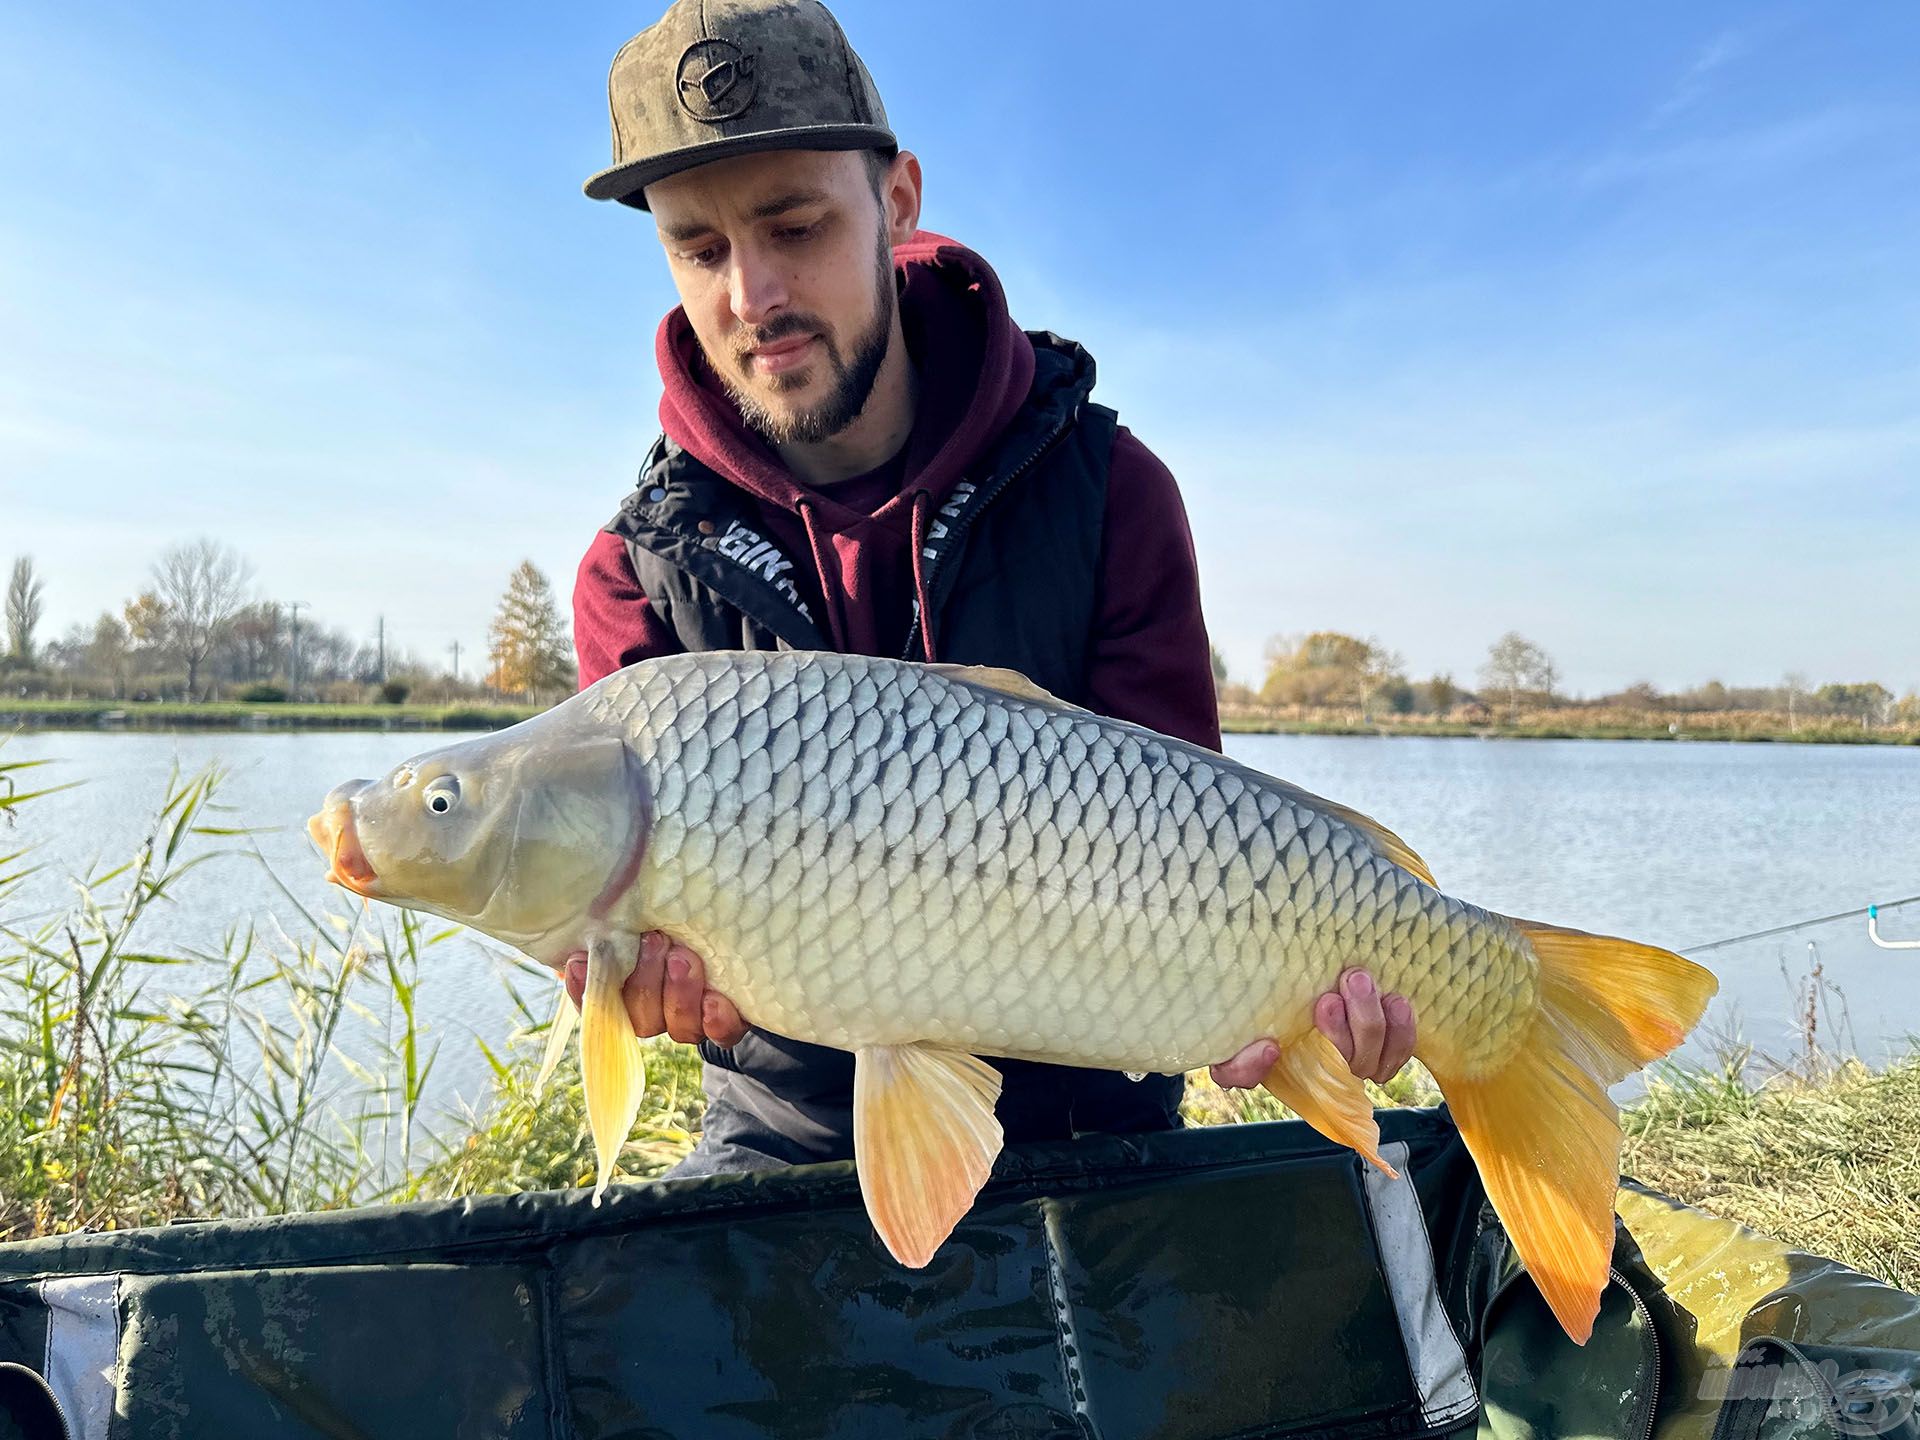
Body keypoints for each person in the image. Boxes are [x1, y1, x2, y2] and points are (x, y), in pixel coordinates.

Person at [565, 0, 1416, 1176]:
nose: (752, 294)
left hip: (1092, 1130)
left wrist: (1285, 1003)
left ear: (899, 201)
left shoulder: (1113, 491)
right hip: (784, 1139)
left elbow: (1202, 852)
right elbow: (636, 947)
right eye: (699, 249)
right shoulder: (635, 571)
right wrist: (636, 988)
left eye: (795, 225)